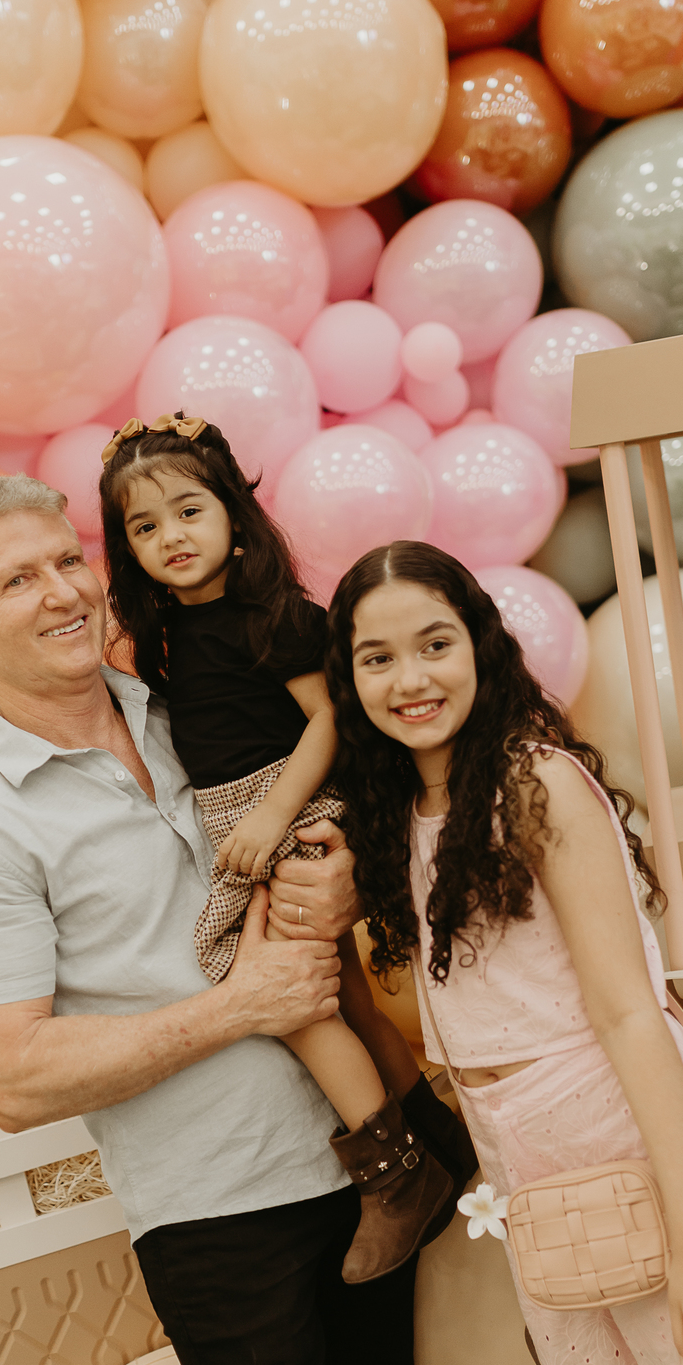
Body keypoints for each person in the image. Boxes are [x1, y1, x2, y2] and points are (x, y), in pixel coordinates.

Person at [0, 475, 450, 1365]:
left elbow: (352, 787)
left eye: (66, 559)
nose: (63, 592)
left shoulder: (196, 700)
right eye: (17, 580)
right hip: (216, 1208)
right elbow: (13, 1075)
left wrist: (343, 866)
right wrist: (238, 1007)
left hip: (365, 1166)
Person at [324, 540, 683, 1365]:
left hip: (617, 1135)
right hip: (527, 1169)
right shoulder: (402, 805)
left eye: (435, 643)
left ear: (482, 643)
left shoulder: (531, 780)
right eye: (376, 657)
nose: (411, 677)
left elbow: (629, 1011)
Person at [98, 412, 467, 1281]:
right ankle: (441, 1143)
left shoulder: (273, 614)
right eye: (144, 527)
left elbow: (332, 718)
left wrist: (272, 817)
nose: (171, 536)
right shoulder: (168, 637)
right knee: (343, 999)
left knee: (284, 995)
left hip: (290, 811)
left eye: (189, 511)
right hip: (241, 818)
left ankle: (394, 1178)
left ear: (234, 514)